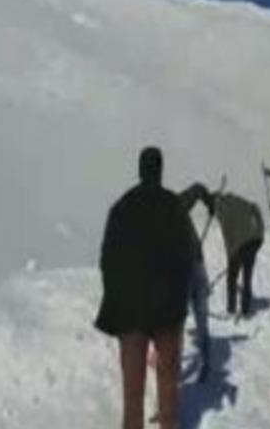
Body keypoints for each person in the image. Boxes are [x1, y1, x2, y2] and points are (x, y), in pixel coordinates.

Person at [96, 147, 195, 429]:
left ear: (140, 170)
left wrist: (117, 298)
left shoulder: (121, 207)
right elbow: (187, 257)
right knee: (168, 390)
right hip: (168, 313)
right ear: (160, 170)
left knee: (133, 394)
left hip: (130, 314)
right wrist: (178, 298)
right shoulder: (173, 206)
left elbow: (108, 260)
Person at [206, 190, 264, 318]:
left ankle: (231, 309)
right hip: (253, 241)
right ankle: (245, 309)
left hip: (240, 244)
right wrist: (260, 234)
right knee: (247, 276)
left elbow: (227, 236)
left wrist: (230, 257)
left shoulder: (221, 211)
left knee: (232, 279)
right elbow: (255, 207)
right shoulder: (238, 199)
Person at [177, 183, 213, 383]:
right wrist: (211, 203)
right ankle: (206, 364)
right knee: (201, 320)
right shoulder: (178, 201)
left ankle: (175, 371)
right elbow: (199, 188)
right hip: (197, 267)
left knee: (177, 324)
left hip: (183, 274)